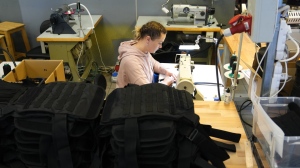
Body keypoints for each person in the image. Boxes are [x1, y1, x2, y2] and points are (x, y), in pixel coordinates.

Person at [116, 21, 177, 88]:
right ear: (148, 39)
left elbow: (154, 64)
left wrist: (165, 71)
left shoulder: (143, 50)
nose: (161, 46)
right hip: (130, 96)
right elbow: (148, 90)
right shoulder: (131, 61)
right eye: (159, 43)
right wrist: (166, 82)